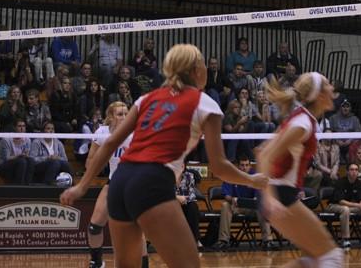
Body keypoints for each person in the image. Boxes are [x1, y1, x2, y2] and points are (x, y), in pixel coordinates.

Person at [60, 43, 267, 268]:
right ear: (196, 70)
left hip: (120, 182)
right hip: (152, 180)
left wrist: (82, 186)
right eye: (203, 63)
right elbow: (218, 166)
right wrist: (251, 179)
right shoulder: (206, 103)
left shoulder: (146, 99)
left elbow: (110, 143)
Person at [255, 72, 343, 268]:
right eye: (328, 85)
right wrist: (269, 197)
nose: (332, 88)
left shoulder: (304, 119)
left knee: (313, 260)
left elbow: (262, 151)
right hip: (280, 195)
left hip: (281, 193)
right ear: (319, 95)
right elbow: (264, 156)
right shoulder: (302, 124)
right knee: (331, 256)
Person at [84, 101, 146, 268]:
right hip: (114, 182)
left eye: (127, 114)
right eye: (120, 114)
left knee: (137, 230)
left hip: (134, 183)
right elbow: (90, 162)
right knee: (94, 226)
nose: (125, 117)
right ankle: (96, 262)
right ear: (110, 117)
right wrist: (99, 160)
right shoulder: (102, 133)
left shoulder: (135, 132)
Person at [215, 157, 274, 250]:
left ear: (250, 166)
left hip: (253, 208)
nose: (244, 167)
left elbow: (259, 196)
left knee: (262, 206)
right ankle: (223, 240)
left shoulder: (255, 176)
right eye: (242, 165)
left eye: (247, 165)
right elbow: (226, 195)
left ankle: (267, 240)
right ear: (238, 166)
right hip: (237, 206)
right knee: (225, 205)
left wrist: (257, 200)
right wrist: (232, 199)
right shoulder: (231, 175)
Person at [327, 162, 361, 248]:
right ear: (347, 171)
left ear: (358, 172)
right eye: (352, 169)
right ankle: (345, 239)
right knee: (345, 209)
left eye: (356, 170)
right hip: (334, 206)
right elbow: (341, 201)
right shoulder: (341, 182)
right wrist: (357, 205)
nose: (354, 172)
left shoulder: (359, 183)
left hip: (349, 207)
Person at [0, 118, 34, 184]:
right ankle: (18, 186)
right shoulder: (6, 140)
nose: (22, 128)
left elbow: (27, 154)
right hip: (3, 166)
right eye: (19, 126)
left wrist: (25, 155)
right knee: (22, 161)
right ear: (14, 128)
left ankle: (28, 184)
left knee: (30, 160)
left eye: (23, 126)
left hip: (21, 164)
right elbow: (6, 158)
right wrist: (19, 156)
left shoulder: (27, 140)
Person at [176, 168, 202, 248]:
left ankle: (195, 240)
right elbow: (164, 194)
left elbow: (191, 194)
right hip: (171, 204)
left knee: (193, 206)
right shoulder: (166, 176)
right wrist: (177, 198)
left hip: (185, 203)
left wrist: (183, 199)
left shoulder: (189, 176)